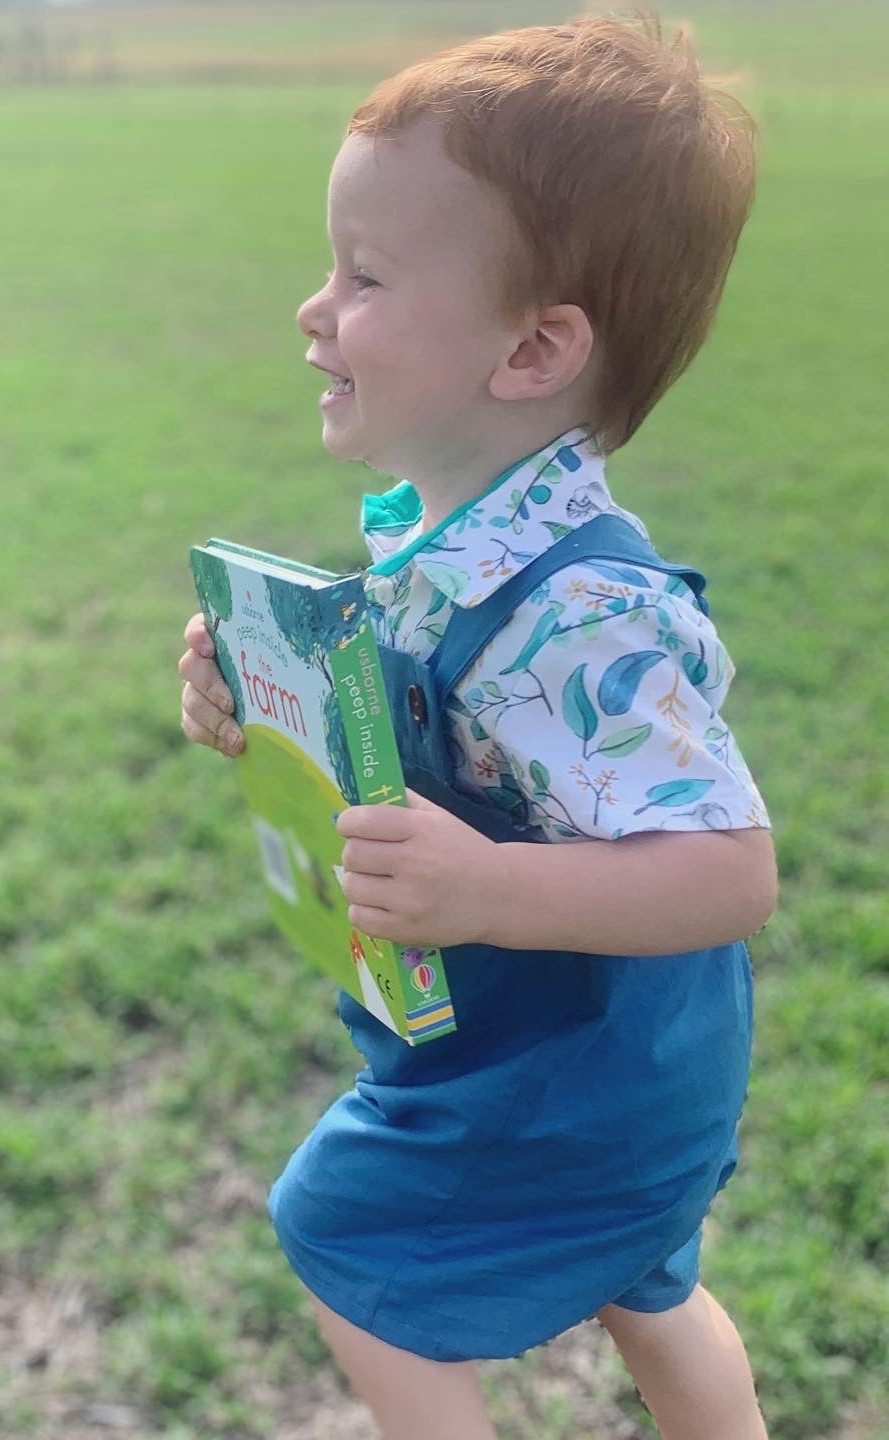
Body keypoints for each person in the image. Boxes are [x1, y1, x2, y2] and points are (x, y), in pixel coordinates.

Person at [177, 12, 775, 1439]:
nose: (315, 310)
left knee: (341, 1230)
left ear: (535, 349)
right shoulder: (444, 542)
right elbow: (405, 722)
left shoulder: (587, 621)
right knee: (651, 1292)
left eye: (365, 276)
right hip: (603, 1072)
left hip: (576, 1085)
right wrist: (248, 699)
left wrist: (490, 887)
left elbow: (733, 871)